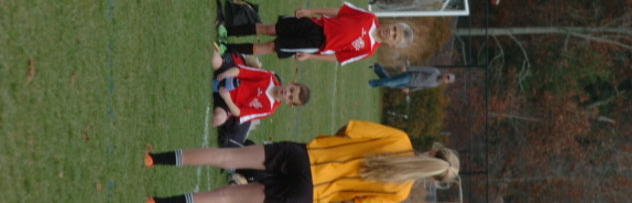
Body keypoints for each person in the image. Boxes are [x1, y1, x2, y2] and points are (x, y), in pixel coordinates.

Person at [144, 119, 461, 203]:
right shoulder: (400, 193)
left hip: (306, 157)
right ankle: (158, 202)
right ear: (432, 179)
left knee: (227, 156)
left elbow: (349, 128)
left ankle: (153, 159)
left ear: (433, 152)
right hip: (309, 195)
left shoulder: (399, 139)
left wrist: (332, 149)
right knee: (226, 197)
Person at [222, 2, 413, 64]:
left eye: (394, 36)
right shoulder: (369, 17)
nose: (390, 32)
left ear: (392, 45)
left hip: (316, 43)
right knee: (269, 28)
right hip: (314, 24)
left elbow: (337, 57)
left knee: (271, 46)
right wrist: (311, 11)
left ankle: (227, 48)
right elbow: (339, 12)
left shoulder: (367, 51)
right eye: (394, 28)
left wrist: (310, 56)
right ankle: (227, 31)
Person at [210, 47, 310, 126]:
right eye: (291, 89)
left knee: (219, 118)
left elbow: (239, 113)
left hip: (228, 102)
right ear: (291, 83)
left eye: (290, 97)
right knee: (215, 59)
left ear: (289, 103)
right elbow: (241, 71)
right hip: (229, 79)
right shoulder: (268, 76)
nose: (287, 93)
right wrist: (226, 73)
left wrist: (227, 99)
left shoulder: (268, 109)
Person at [369, 62, 455, 93]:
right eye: (447, 76)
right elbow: (421, 68)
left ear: (447, 82)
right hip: (410, 77)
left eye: (447, 79)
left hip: (409, 84)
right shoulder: (435, 71)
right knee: (390, 83)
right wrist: (408, 68)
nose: (446, 78)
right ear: (446, 74)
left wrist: (410, 90)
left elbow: (421, 87)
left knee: (390, 82)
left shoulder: (436, 84)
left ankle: (377, 67)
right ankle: (371, 83)